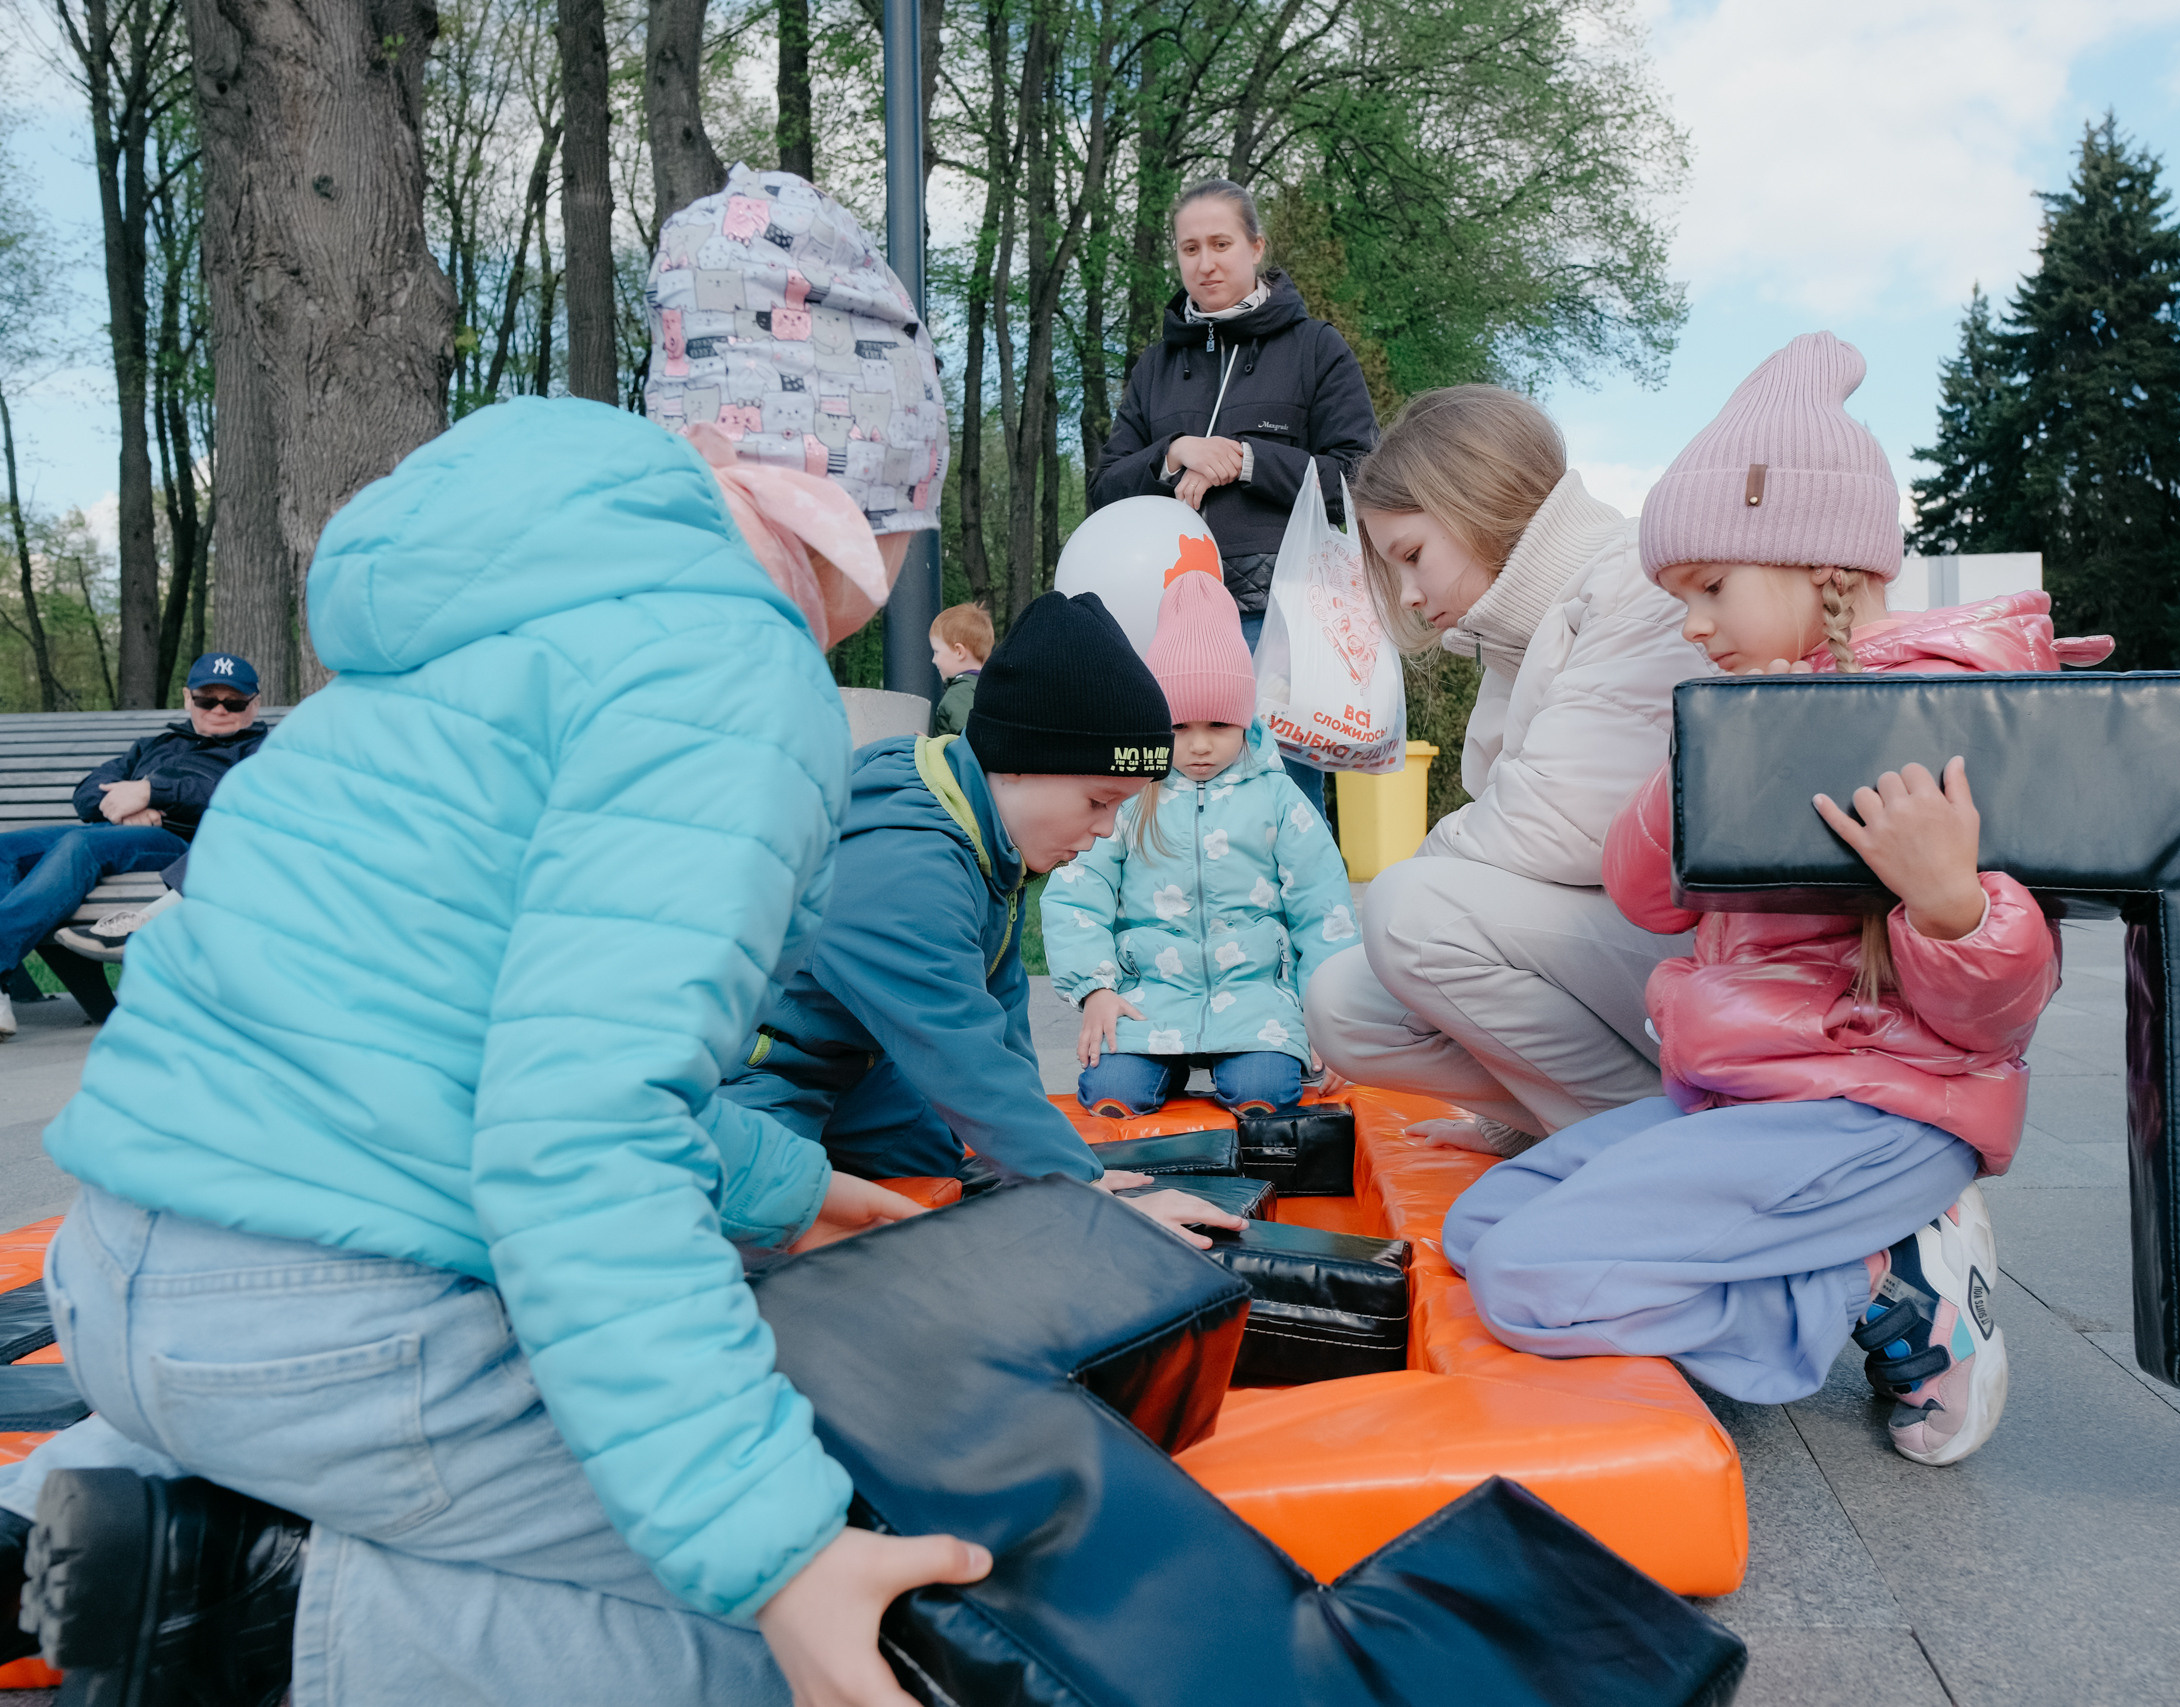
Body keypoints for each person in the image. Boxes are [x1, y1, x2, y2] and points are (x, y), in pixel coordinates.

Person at [0, 169, 997, 1707]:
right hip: (339, 1325)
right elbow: (579, 1130)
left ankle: (87, 1495)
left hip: (124, 1271)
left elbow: (475, 1034)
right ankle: (239, 1607)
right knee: (818, 1627)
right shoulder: (732, 671)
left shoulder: (465, 647)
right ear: (860, 499)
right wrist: (777, 1553)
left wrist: (790, 1183)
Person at [1442, 332, 2113, 1469]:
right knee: (1481, 1226)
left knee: (1529, 1280)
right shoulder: (1742, 711)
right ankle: (1826, 1259)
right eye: (1677, 598)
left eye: (1709, 589)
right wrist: (1694, 756)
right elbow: (1646, 896)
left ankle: (1881, 1285)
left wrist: (1951, 903)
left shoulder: (1948, 717)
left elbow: (2002, 1013)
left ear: (1829, 574)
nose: (1691, 623)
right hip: (1742, 1099)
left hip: (1882, 1110)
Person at [717, 589, 1251, 1250]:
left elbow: (1000, 1033)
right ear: (1022, 759)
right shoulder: (906, 863)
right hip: (751, 1065)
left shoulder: (984, 830)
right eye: (1097, 799)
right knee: (775, 1222)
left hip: (853, 1061)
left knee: (948, 1162)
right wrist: (1076, 1188)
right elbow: (960, 1053)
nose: (1104, 828)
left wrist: (1064, 1172)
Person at [1301, 385, 1705, 1154]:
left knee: (1409, 915)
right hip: (1631, 943)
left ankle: (1657, 1146)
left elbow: (1558, 826)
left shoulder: (1634, 582)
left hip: (1697, 946)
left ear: (1476, 502)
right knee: (1343, 1004)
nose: (1413, 598)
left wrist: (1405, 893)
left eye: (1414, 557)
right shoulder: (1520, 637)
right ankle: (1556, 1125)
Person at [1086, 177, 1378, 808]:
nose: (1206, 261)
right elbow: (1105, 491)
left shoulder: (1315, 350)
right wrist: (1173, 453)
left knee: (1276, 803)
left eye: (1221, 243)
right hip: (1160, 619)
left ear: (1256, 247)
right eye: (1190, 248)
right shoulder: (1155, 367)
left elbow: (1360, 478)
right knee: (1162, 803)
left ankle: (1296, 909)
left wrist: (1246, 461)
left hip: (1273, 624)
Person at [1044, 571, 1360, 1118]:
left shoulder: (1277, 795)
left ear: (1244, 716)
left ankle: (1255, 1081)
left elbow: (1322, 907)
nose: (1197, 745)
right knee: (1112, 1095)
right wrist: (1095, 990)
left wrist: (1331, 1022)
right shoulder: (1129, 793)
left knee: (1267, 1093)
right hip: (1149, 1000)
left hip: (1257, 998)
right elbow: (1078, 891)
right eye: (1178, 725)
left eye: (1218, 723)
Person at [0, 654, 268, 1039]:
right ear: (188, 698)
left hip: (182, 843)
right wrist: (127, 811)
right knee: (5, 849)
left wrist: (150, 791)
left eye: (235, 702)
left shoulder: (262, 751)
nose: (220, 710)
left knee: (82, 844)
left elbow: (238, 795)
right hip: (118, 833)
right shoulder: (153, 746)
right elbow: (88, 794)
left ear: (254, 704)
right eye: (208, 699)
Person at [928, 600, 993, 735]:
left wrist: (929, 747)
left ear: (959, 652)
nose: (934, 660)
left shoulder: (959, 694)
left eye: (937, 652)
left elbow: (968, 745)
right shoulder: (988, 687)